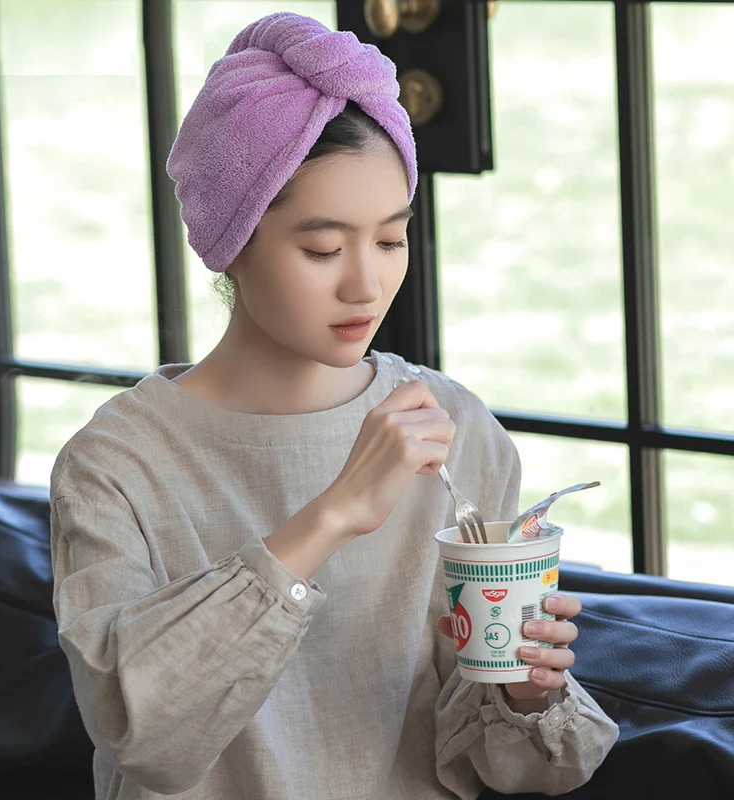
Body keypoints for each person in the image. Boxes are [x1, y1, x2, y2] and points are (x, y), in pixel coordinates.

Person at [50, 13, 618, 800]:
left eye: (390, 240)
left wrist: (524, 692)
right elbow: (140, 732)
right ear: (232, 241)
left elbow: (515, 768)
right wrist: (337, 511)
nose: (366, 285)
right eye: (322, 249)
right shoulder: (118, 463)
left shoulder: (454, 428)